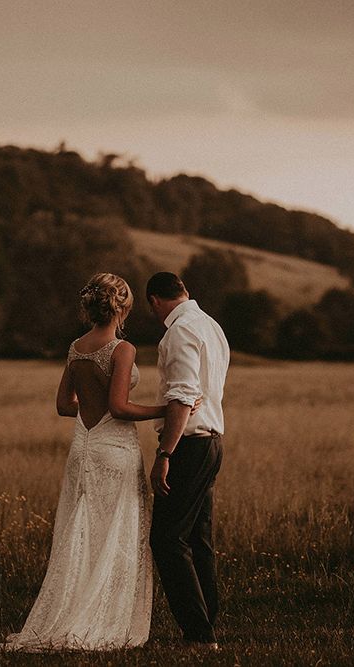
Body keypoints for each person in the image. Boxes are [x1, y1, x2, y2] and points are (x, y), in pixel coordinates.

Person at [0, 272, 199, 652]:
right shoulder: (122, 350)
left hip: (84, 446)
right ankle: (103, 619)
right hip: (115, 450)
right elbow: (120, 407)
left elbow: (62, 405)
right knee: (116, 533)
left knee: (82, 533)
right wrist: (168, 409)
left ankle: (71, 612)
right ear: (122, 307)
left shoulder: (76, 348)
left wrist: (92, 412)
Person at [146, 272, 230, 649]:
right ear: (184, 292)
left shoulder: (179, 331)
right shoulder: (211, 325)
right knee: (199, 540)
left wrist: (165, 453)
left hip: (189, 444)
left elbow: (182, 396)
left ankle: (198, 634)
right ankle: (207, 625)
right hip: (212, 441)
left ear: (154, 301)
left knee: (166, 539)